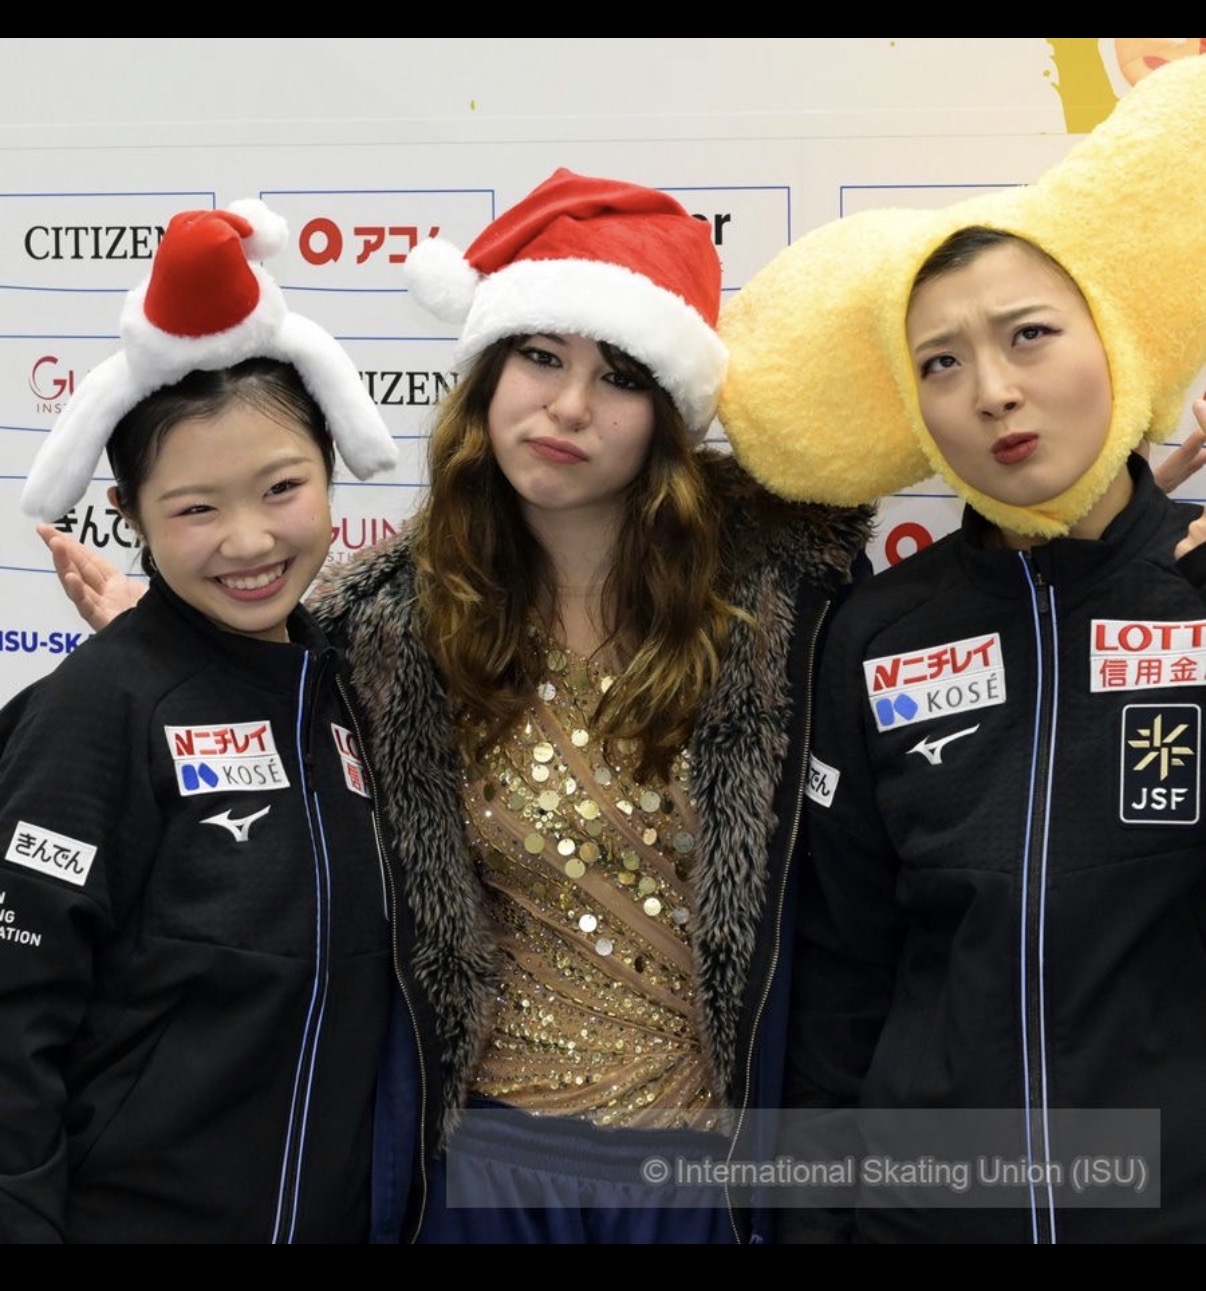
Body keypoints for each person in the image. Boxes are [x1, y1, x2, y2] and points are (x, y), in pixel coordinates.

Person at [37, 168, 875, 1244]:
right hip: (479, 1175)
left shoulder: (786, 605)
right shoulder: (380, 625)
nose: (568, 407)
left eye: (619, 376)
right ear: (490, 368)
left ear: (669, 412)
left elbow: (857, 919)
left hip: (711, 1179)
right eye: (541, 356)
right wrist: (173, 648)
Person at [715, 54, 1206, 1242]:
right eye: (942, 360)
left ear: (1116, 341)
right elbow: (840, 969)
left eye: (1030, 335)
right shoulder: (877, 632)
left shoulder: (1197, 594)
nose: (993, 391)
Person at [0, 200, 400, 1243]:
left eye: (281, 487)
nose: (249, 539)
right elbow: (14, 1015)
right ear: (129, 515)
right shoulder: (97, 711)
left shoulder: (346, 691)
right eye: (196, 509)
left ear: (330, 470)